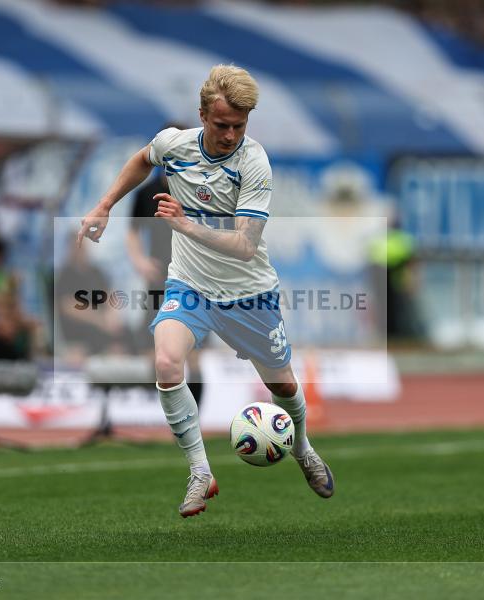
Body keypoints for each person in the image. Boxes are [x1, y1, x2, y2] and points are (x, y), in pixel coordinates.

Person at [78, 64, 334, 518]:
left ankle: (304, 449)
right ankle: (200, 472)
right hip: (190, 286)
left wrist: (184, 224)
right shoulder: (174, 144)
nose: (231, 135)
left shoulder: (253, 162)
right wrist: (103, 206)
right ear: (201, 116)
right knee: (165, 361)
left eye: (239, 125)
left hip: (248, 292)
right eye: (221, 125)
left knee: (284, 383)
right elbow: (142, 159)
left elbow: (243, 246)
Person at [126, 126, 204, 406]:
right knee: (155, 345)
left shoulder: (198, 190)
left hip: (192, 276)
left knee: (192, 348)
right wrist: (140, 261)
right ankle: (163, 413)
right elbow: (133, 231)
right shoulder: (146, 192)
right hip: (159, 276)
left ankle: (196, 415)